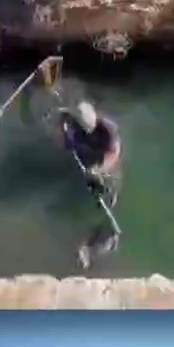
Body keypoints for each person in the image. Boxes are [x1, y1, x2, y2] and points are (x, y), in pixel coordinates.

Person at [57, 100, 124, 268]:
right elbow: (63, 119)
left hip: (104, 167)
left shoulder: (108, 128)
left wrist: (99, 170)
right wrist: (65, 132)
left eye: (89, 128)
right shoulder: (73, 120)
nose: (87, 130)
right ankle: (89, 242)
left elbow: (114, 153)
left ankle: (94, 244)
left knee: (109, 199)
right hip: (86, 161)